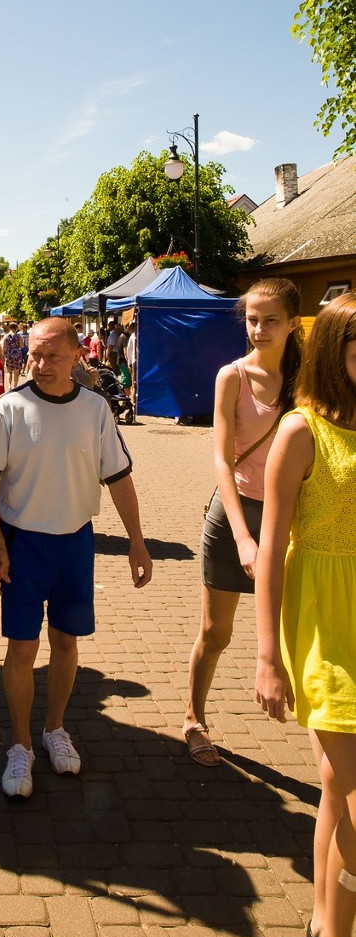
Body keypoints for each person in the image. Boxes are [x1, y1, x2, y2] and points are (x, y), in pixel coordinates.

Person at [0, 316, 152, 798]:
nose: (41, 363)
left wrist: (137, 540)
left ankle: (55, 729)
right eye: (34, 353)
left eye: (53, 354)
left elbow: (118, 478)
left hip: (74, 543)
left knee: (67, 643)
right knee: (21, 649)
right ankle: (20, 744)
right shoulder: (10, 407)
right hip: (23, 546)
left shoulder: (94, 410)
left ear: (78, 355)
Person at [255, 295, 356, 937]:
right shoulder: (300, 431)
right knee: (352, 788)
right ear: (332, 352)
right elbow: (269, 546)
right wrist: (268, 657)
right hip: (321, 616)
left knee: (335, 784)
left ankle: (325, 922)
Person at [184, 278, 302, 766]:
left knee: (295, 629)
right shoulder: (231, 376)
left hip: (294, 519)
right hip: (236, 515)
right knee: (217, 632)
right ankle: (194, 717)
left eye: (271, 319)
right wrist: (243, 537)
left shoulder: (309, 378)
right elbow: (221, 461)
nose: (259, 329)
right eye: (252, 319)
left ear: (294, 322)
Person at [1, 323, 24, 390]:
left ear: (10, 328)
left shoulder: (6, 336)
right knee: (16, 372)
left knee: (9, 371)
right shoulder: (18, 336)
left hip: (9, 354)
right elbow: (22, 345)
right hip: (17, 354)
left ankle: (9, 386)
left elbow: (3, 347)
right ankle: (15, 386)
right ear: (16, 328)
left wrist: (4, 354)